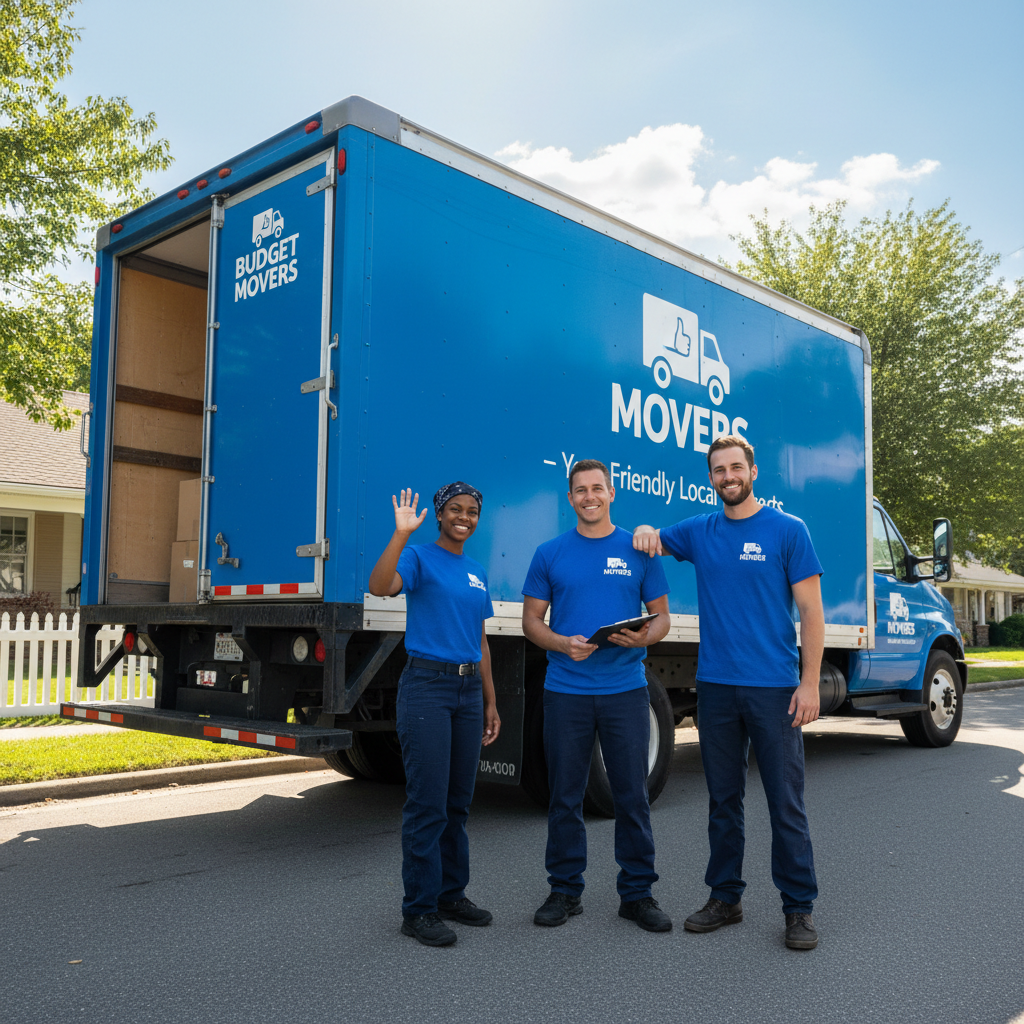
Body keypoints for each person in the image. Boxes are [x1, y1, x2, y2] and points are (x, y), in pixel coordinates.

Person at [632, 435, 824, 950]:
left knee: (786, 803)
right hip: (716, 688)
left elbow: (811, 613)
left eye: (736, 467)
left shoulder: (789, 531)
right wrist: (649, 529)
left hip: (776, 689)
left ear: (753, 472)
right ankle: (726, 897)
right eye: (719, 470)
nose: (728, 476)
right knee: (723, 800)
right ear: (711, 478)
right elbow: (652, 540)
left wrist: (809, 684)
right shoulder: (700, 530)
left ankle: (798, 908)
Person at [521, 459, 673, 932]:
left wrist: (644, 638)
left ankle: (638, 894)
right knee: (565, 796)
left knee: (631, 796)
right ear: (570, 499)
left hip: (626, 691)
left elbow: (662, 617)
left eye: (597, 488)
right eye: (580, 490)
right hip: (565, 691)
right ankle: (565, 891)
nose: (590, 496)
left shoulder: (637, 550)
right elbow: (531, 623)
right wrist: (561, 643)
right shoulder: (549, 553)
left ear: (611, 494)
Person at [368, 481, 501, 947]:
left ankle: (451, 895)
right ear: (440, 514)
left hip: (467, 692)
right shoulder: (420, 557)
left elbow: (480, 640)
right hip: (427, 687)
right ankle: (418, 910)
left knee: (457, 804)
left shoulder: (477, 572)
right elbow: (381, 586)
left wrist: (490, 700)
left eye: (472, 512)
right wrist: (401, 534)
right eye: (456, 510)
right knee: (427, 805)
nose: (465, 517)